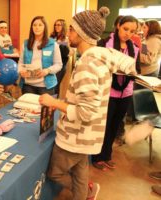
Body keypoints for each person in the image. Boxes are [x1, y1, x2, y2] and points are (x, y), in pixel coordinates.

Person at [38, 7, 137, 200]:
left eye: (72, 30)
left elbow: (85, 112)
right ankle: (85, 193)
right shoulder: (101, 56)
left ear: (83, 33)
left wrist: (55, 102)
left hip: (75, 136)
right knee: (81, 171)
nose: (68, 33)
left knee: (55, 173)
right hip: (88, 137)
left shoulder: (87, 64)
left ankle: (82, 191)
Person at [91, 15, 140, 170]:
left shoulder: (135, 49)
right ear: (118, 25)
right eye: (125, 29)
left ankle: (107, 155)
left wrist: (133, 73)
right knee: (103, 126)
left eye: (132, 31)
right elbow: (95, 66)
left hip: (125, 93)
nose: (128, 33)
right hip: (108, 92)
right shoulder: (105, 44)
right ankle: (97, 157)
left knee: (115, 126)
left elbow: (137, 70)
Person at [18, 16, 62, 95]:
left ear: (45, 27)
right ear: (31, 27)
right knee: (28, 107)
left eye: (40, 25)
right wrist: (21, 71)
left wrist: (47, 71)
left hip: (46, 86)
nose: (37, 27)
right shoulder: (26, 44)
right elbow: (20, 62)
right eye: (34, 25)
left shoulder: (53, 44)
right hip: (28, 85)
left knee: (44, 107)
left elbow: (59, 64)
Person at [50, 19, 70, 97]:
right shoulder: (52, 36)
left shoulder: (66, 38)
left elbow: (67, 52)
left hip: (61, 65)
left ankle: (54, 102)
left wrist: (57, 44)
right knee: (52, 84)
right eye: (55, 25)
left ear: (63, 26)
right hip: (51, 64)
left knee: (56, 84)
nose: (56, 26)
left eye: (58, 25)